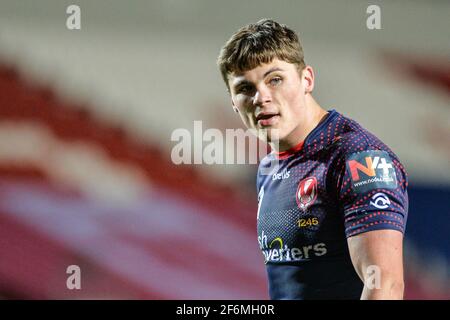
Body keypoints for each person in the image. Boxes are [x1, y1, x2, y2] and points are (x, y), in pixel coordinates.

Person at [217, 19, 408, 299]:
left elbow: (385, 285)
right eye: (245, 88)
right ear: (234, 102)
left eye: (275, 79)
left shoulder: (359, 158)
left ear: (307, 79)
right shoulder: (269, 167)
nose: (261, 97)